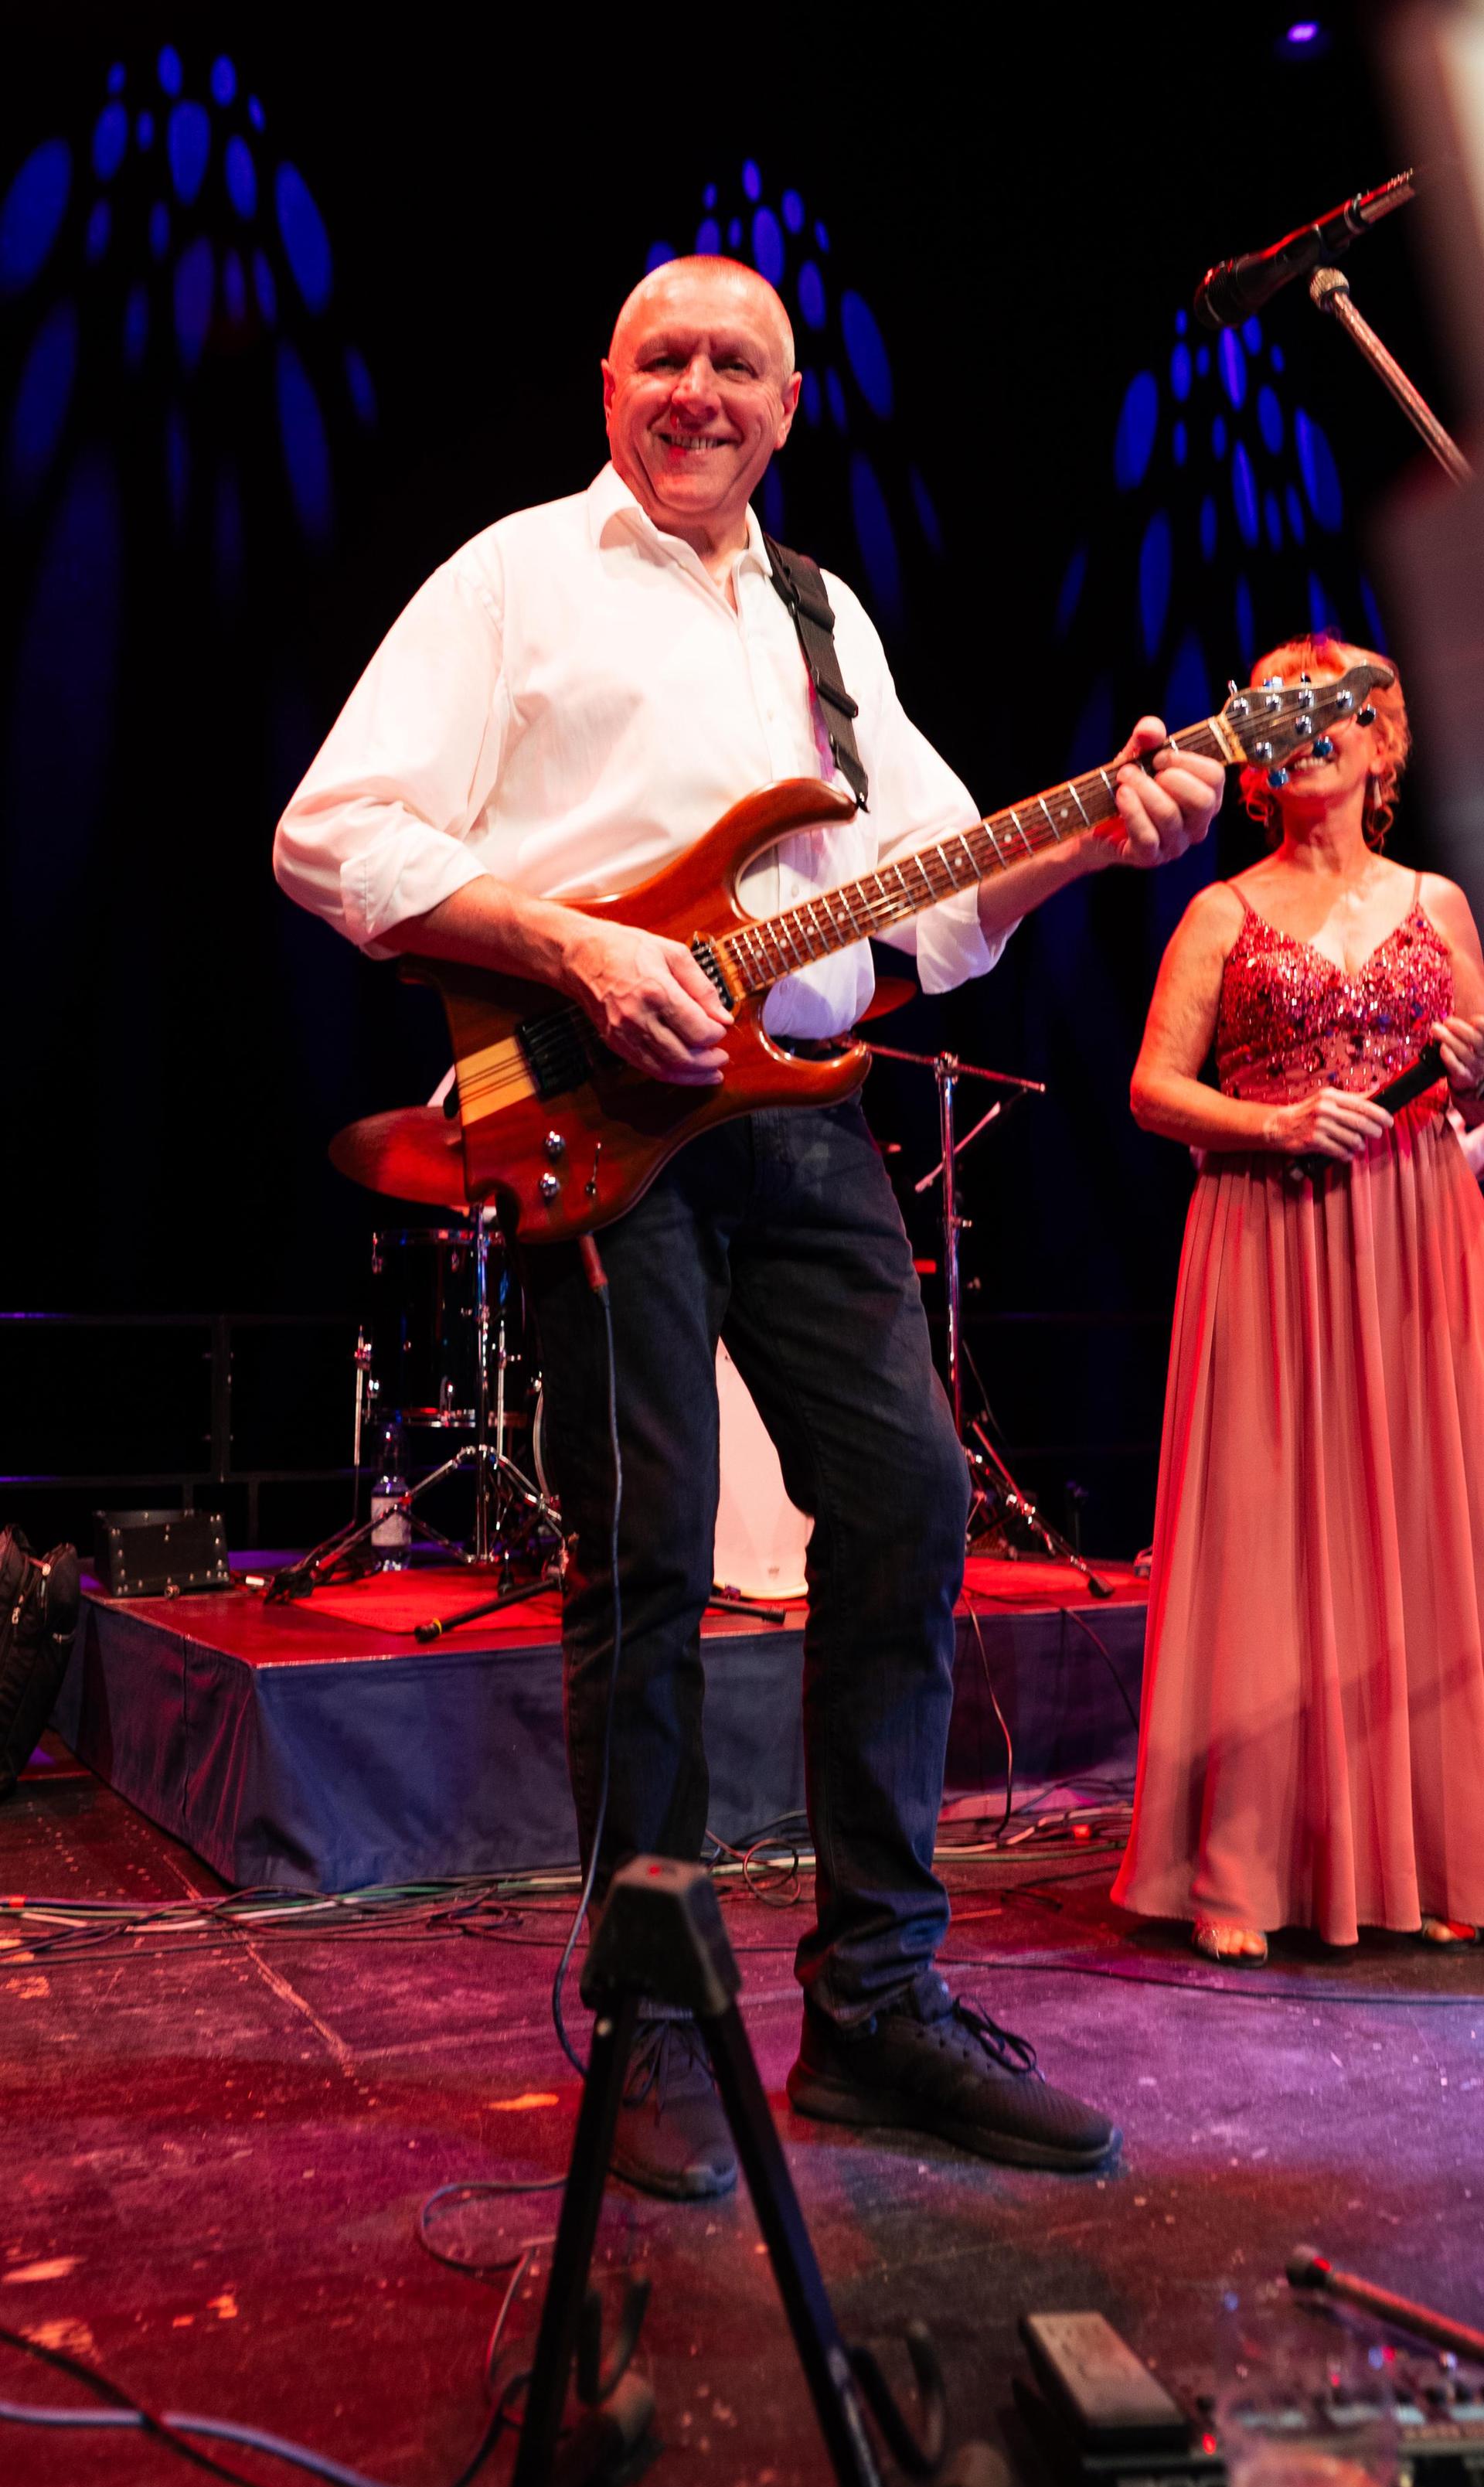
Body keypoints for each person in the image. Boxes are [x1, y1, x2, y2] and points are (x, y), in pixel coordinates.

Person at [275, 255, 1223, 2196]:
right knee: (647, 1559)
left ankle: (877, 2004)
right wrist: (574, 948)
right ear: (607, 382)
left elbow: (931, 906)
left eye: (739, 366)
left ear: (793, 406)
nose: (700, 391)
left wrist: (1086, 842)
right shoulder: (514, 577)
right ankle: (653, 2024)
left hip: (798, 1117)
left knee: (911, 1507)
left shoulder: (825, 617)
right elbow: (333, 830)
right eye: (667, 359)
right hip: (593, 1114)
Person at [1113, 632, 1484, 1964]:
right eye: (1276, 706)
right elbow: (1154, 1091)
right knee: (1270, 1529)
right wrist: (1273, 1129)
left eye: (1344, 708)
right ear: (1257, 756)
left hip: (1419, 1230)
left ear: (1387, 744)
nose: (1309, 722)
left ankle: (1436, 1850)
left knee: (1424, 1518)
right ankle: (1251, 1865)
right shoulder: (1223, 910)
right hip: (1269, 1233)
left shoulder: (1442, 905)